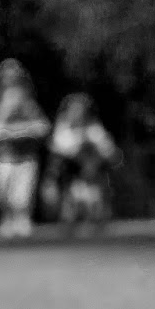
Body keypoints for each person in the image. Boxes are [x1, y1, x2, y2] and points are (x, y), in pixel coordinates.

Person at [0, 59, 50, 238]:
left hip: (26, 159)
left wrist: (22, 132)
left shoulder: (29, 105)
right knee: (1, 192)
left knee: (22, 196)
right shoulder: (0, 107)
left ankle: (22, 221)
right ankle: (7, 219)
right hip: (4, 158)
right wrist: (4, 113)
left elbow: (43, 128)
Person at [45, 93, 122, 231]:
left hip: (95, 179)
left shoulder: (95, 130)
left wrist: (94, 160)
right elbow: (58, 155)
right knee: (70, 219)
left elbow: (113, 155)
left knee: (95, 217)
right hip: (70, 179)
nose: (76, 114)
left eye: (80, 110)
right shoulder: (61, 130)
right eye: (73, 110)